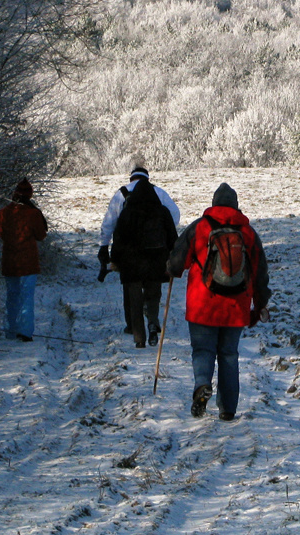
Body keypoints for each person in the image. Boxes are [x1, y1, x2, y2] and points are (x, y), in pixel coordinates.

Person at [167, 182, 271, 421]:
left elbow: (176, 262)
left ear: (213, 204)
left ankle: (202, 385)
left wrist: (171, 269)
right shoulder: (248, 233)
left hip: (203, 304)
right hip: (236, 307)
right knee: (228, 355)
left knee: (203, 350)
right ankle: (227, 409)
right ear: (236, 206)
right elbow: (259, 271)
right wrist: (260, 302)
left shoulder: (200, 227)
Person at [99, 165, 181, 347]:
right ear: (147, 178)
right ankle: (153, 321)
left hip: (131, 260)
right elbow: (174, 218)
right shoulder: (159, 194)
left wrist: (109, 253)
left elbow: (111, 225)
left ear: (131, 178)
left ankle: (137, 335)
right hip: (156, 257)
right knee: (153, 293)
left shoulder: (122, 196)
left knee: (133, 296)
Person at [0, 179, 47, 342]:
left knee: (12, 297)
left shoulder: (4, 212)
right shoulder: (33, 213)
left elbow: (1, 234)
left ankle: (10, 330)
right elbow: (41, 235)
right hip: (28, 262)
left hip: (9, 261)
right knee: (26, 297)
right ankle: (25, 332)